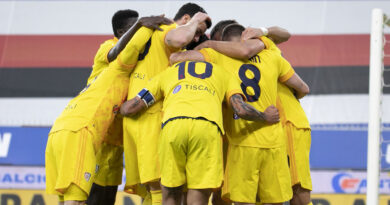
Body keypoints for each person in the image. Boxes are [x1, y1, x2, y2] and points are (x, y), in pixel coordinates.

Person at [169, 23, 309, 205]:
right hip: (274, 141)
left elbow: (176, 58)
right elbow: (303, 88)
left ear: (224, 42)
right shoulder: (271, 54)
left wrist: (208, 45)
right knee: (276, 200)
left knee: (242, 200)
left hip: (242, 142)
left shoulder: (216, 56)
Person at [45, 17, 169, 205]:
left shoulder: (115, 76)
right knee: (77, 200)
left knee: (71, 199)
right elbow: (131, 46)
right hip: (83, 130)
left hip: (67, 128)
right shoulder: (119, 66)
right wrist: (144, 25)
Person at [120, 60, 280, 205]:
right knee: (198, 196)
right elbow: (240, 109)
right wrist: (265, 116)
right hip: (206, 127)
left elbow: (131, 107)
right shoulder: (223, 73)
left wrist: (118, 107)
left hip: (173, 126)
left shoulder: (168, 72)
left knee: (170, 193)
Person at [122, 3, 211, 205]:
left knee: (152, 189)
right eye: (197, 32)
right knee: (162, 186)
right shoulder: (169, 30)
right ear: (186, 18)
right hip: (151, 113)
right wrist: (197, 21)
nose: (196, 38)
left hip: (136, 116)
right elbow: (180, 37)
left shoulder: (150, 32)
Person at [241, 27, 313, 205]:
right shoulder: (235, 59)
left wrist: (263, 30)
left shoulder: (262, 46)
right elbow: (302, 89)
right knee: (269, 191)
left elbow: (285, 34)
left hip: (288, 122)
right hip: (267, 130)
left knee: (297, 187)